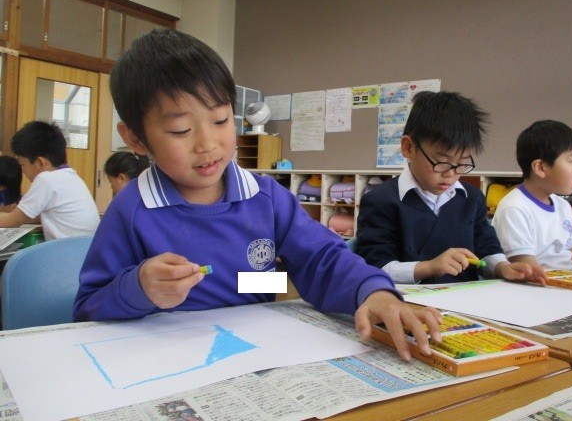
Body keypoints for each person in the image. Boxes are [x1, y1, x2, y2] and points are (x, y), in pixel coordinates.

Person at [72, 28, 442, 361]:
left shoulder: (265, 197)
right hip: (166, 358)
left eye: (221, 120)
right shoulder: (132, 209)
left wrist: (372, 291)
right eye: (181, 130)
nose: (208, 144)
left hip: (256, 353)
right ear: (135, 138)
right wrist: (138, 288)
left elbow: (320, 260)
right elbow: (88, 308)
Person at [356, 91, 547, 285]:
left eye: (462, 163)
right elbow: (376, 266)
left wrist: (502, 267)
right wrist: (429, 267)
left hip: (466, 297)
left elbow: (486, 249)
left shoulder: (472, 198)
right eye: (441, 162)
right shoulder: (380, 200)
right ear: (408, 147)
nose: (451, 174)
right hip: (408, 300)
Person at [492, 120, 572, 271]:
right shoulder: (514, 208)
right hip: (540, 282)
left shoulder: (563, 206)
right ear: (540, 168)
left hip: (571, 281)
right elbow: (529, 270)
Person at [0, 121, 100, 240]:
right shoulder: (72, 177)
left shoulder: (45, 179)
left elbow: (12, 221)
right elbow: (34, 216)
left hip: (66, 250)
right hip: (84, 248)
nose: (23, 171)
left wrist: (13, 215)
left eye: (22, 165)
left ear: (40, 162)